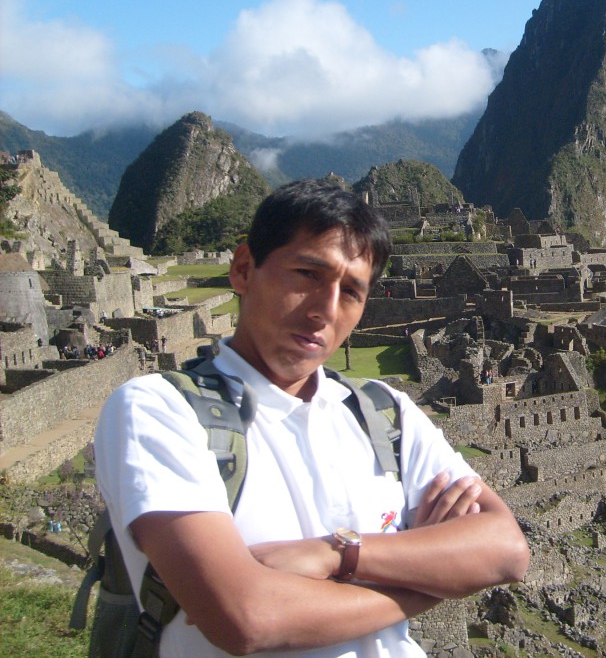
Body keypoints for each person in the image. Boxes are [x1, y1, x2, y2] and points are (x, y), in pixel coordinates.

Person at [94, 179, 529, 658]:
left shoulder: (383, 412)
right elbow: (247, 619)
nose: (325, 310)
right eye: (307, 274)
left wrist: (336, 552)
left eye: (351, 292)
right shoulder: (159, 410)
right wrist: (431, 583)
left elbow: (506, 549)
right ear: (243, 269)